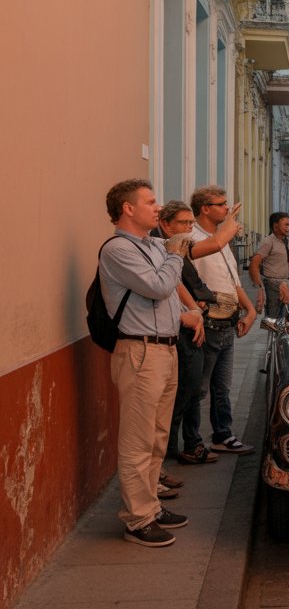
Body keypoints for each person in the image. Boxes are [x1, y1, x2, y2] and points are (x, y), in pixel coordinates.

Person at [99, 179, 202, 547]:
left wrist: (188, 312)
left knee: (157, 436)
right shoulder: (117, 250)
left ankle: (152, 505)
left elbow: (170, 286)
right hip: (140, 352)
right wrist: (174, 254)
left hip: (165, 349)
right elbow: (158, 287)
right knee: (138, 440)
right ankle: (137, 519)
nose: (158, 208)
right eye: (150, 201)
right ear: (128, 209)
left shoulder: (153, 245)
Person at [189, 186, 257, 455]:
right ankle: (192, 442)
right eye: (221, 204)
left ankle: (223, 435)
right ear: (205, 208)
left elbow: (232, 281)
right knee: (198, 388)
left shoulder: (221, 239)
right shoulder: (194, 239)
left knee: (223, 387)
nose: (227, 208)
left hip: (227, 324)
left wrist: (250, 310)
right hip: (207, 324)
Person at [154, 201, 221, 468]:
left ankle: (188, 444)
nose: (189, 228)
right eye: (184, 223)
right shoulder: (164, 248)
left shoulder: (178, 248)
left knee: (192, 390)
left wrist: (196, 309)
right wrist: (191, 311)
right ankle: (169, 453)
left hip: (192, 325)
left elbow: (181, 285)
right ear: (165, 224)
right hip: (176, 330)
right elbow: (169, 285)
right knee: (185, 391)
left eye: (191, 223)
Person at [248, 212, 289, 318]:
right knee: (272, 320)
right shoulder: (268, 242)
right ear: (275, 226)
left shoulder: (288, 242)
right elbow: (254, 264)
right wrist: (259, 287)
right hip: (272, 285)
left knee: (285, 320)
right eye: (286, 225)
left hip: (286, 285)